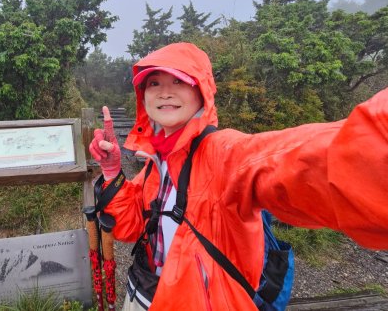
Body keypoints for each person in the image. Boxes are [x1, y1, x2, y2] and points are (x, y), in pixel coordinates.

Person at [89, 42, 388, 310]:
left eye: (179, 80)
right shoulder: (158, 161)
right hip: (143, 294)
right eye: (154, 83)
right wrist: (113, 170)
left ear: (201, 90)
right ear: (144, 97)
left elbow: (304, 159)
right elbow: (128, 228)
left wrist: (377, 140)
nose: (164, 91)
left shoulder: (224, 153)